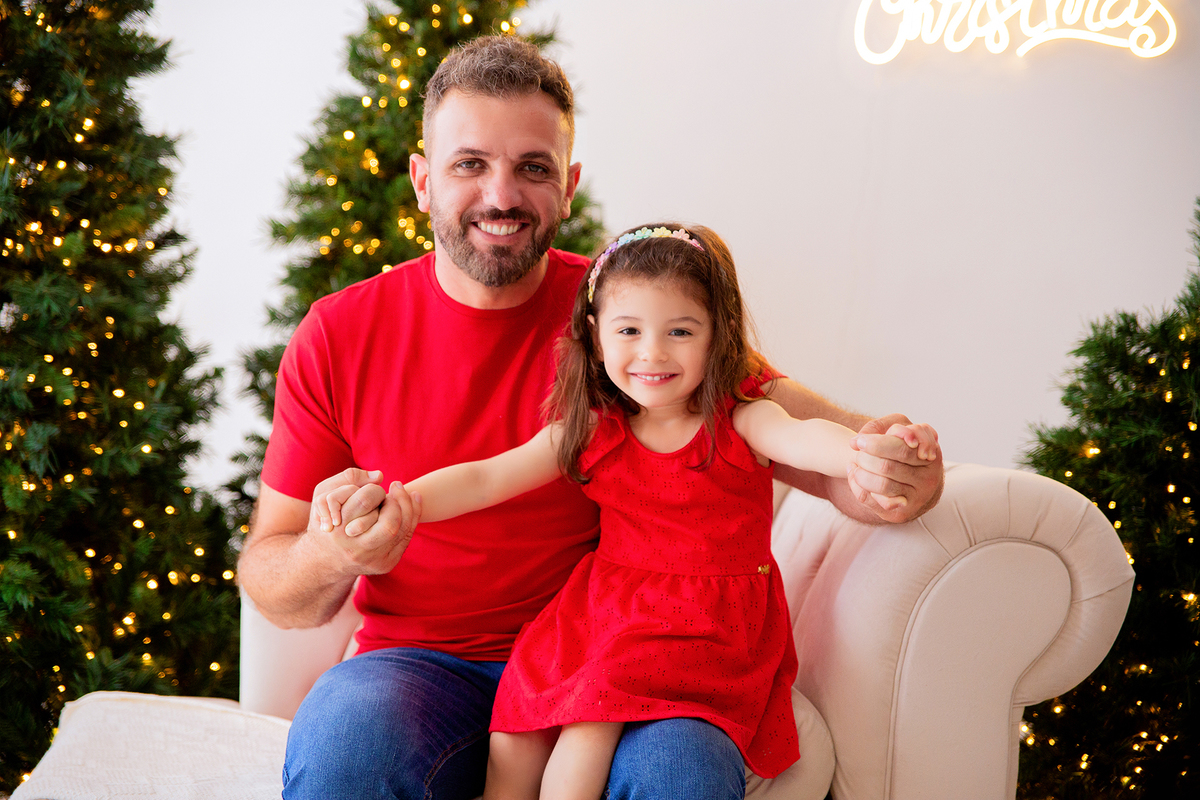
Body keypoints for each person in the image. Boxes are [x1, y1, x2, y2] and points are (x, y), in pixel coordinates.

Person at [237, 36, 944, 800]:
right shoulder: (341, 333)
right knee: (348, 740)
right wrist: (338, 548)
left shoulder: (630, 325)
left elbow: (824, 445)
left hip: (621, 652)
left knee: (682, 771)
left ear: (568, 187)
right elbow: (272, 575)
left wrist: (902, 466)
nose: (501, 195)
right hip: (421, 664)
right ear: (422, 181)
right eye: (469, 164)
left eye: (532, 168)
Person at [315, 223, 939, 800]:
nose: (653, 354)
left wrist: (864, 453)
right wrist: (407, 500)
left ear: (717, 336)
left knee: (587, 728)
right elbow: (487, 478)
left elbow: (807, 440)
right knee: (516, 727)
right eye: (630, 331)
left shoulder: (742, 420)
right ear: (594, 332)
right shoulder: (596, 429)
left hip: (701, 622)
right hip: (608, 610)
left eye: (681, 331)